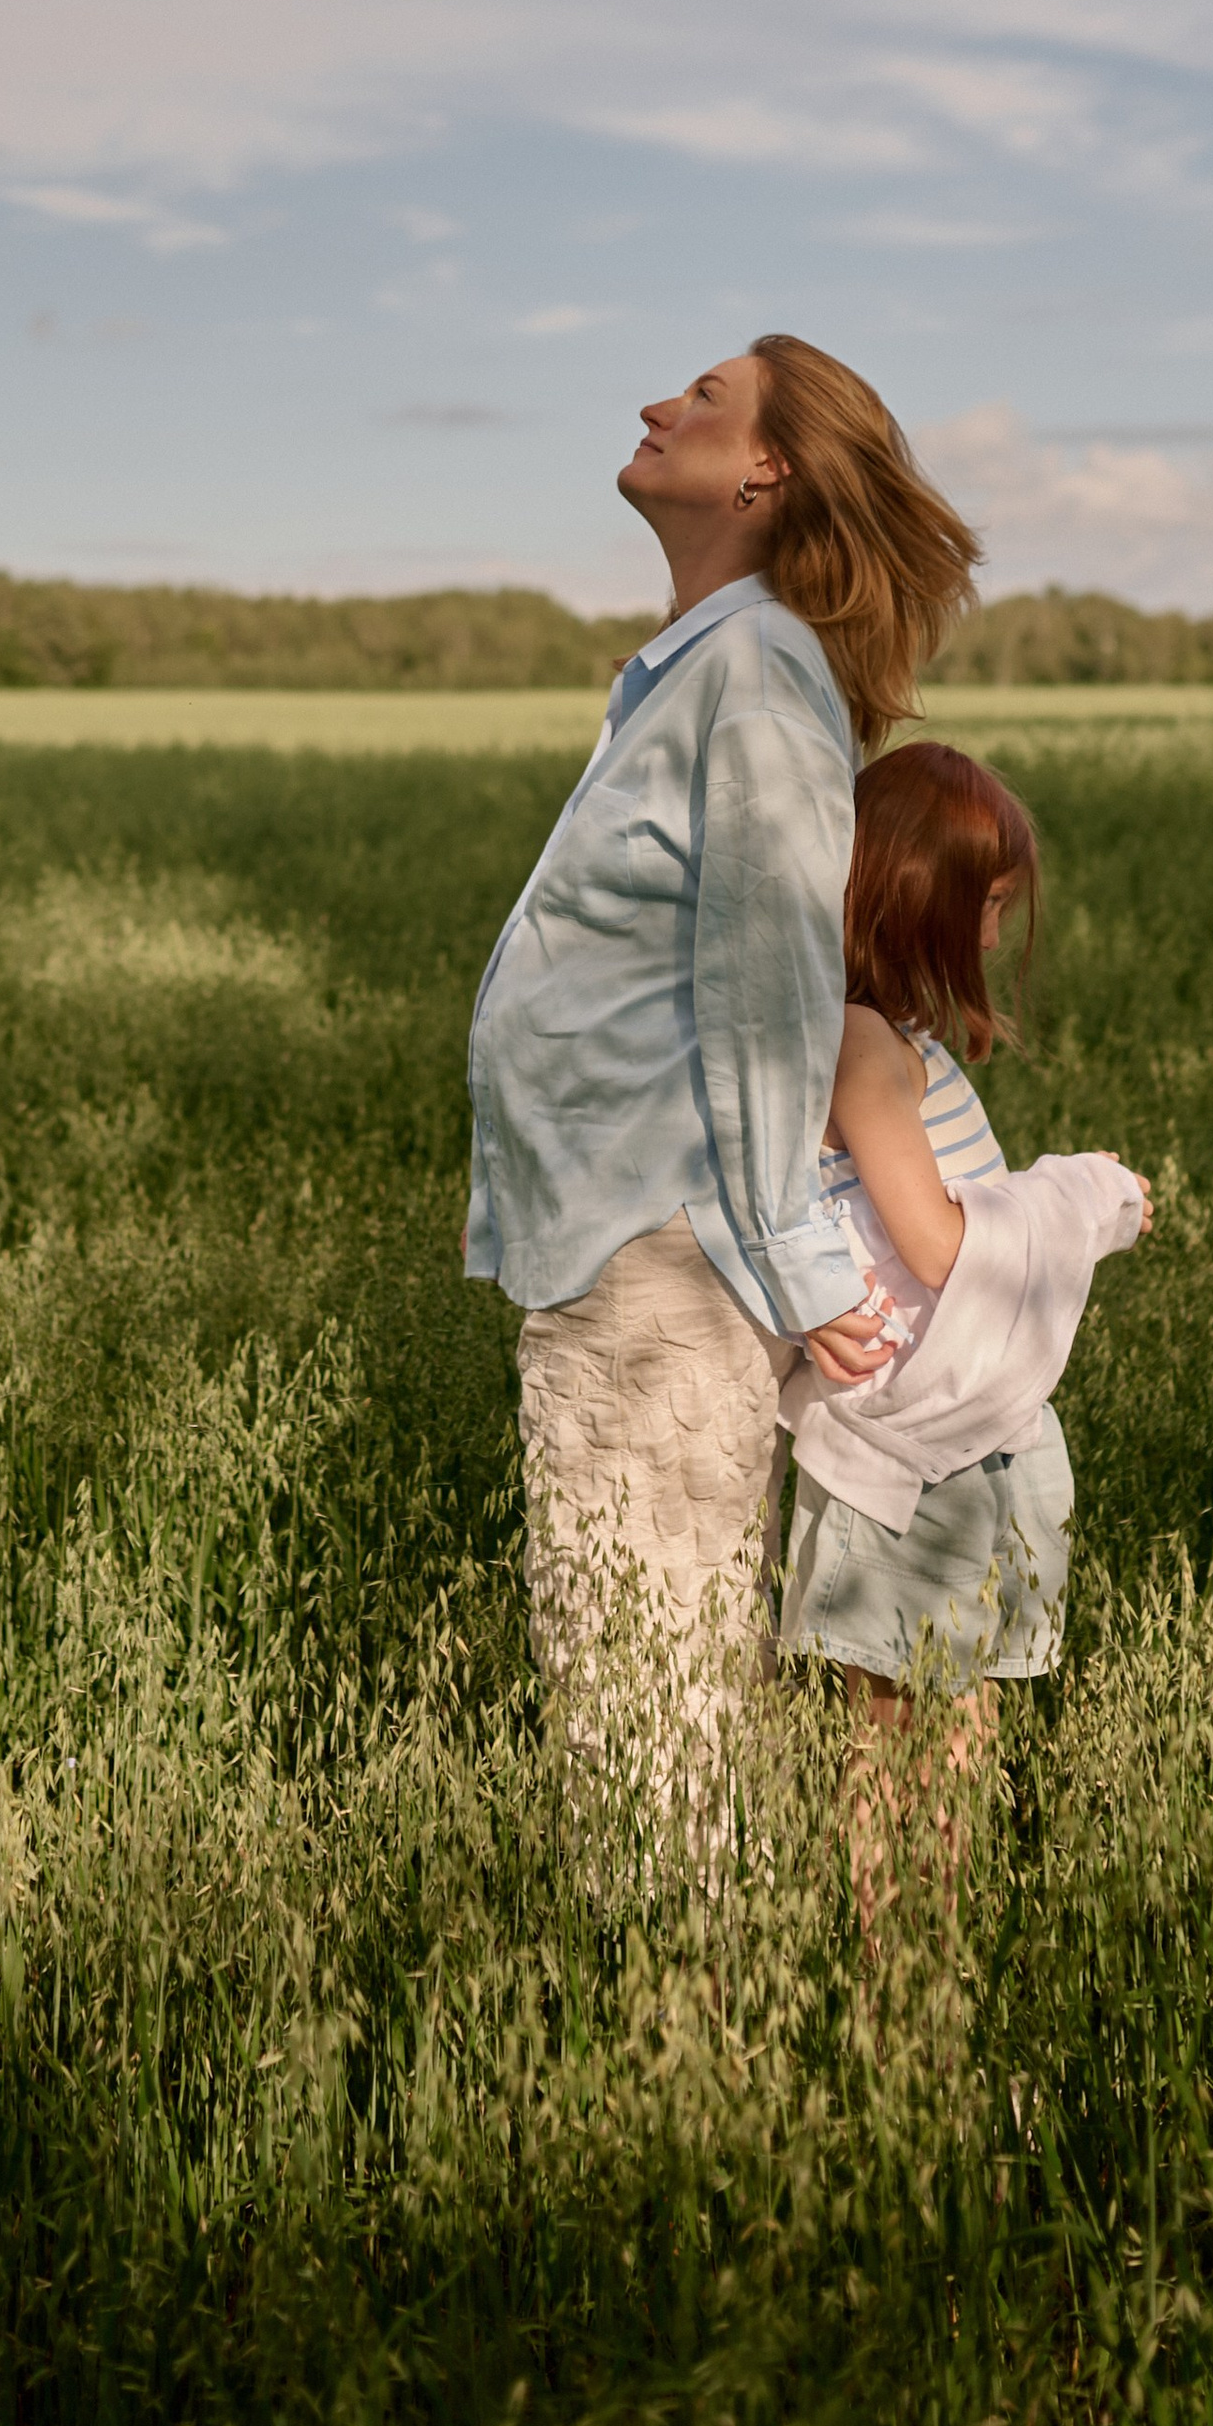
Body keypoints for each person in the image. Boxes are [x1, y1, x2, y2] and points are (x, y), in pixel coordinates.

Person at [463, 337, 979, 1839]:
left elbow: (772, 1006)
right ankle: (691, 2023)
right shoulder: (710, 674)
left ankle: (674, 2033)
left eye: (701, 397)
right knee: (640, 1685)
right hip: (627, 1245)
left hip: (662, 1260)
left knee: (644, 1706)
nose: (652, 407)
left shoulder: (753, 679)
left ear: (769, 471)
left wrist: (799, 1265)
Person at [774, 740, 1152, 1897]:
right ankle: (902, 2000)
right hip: (914, 1464)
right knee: (897, 1745)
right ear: (916, 897)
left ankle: (932, 1990)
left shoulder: (900, 1039)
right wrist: (1079, 1195)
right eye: (983, 907)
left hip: (974, 1445)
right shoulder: (854, 1040)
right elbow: (938, 1241)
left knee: (957, 1735)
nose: (992, 937)